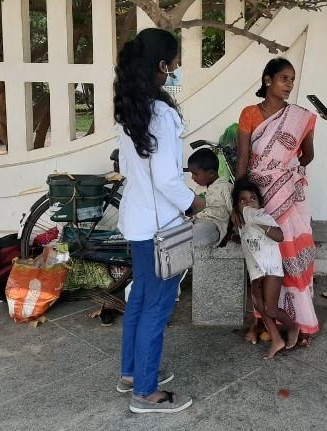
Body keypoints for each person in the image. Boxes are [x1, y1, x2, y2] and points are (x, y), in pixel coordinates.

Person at [114, 28, 205, 414]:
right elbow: (167, 178)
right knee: (157, 306)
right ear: (162, 65)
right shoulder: (162, 114)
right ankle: (146, 394)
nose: (178, 67)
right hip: (160, 230)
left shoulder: (129, 108)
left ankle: (132, 373)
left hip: (137, 222)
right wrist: (195, 201)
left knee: (139, 299)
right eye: (176, 60)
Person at [235, 57, 319, 345]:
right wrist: (240, 204)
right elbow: (243, 159)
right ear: (267, 80)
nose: (289, 85)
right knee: (260, 260)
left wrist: (286, 166)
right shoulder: (249, 114)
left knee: (290, 257)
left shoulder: (300, 117)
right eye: (284, 78)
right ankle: (260, 322)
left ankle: (300, 323)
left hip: (287, 197)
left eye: (292, 80)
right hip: (258, 197)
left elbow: (308, 155)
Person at [232, 179, 300, 359]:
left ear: (260, 203)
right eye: (243, 200)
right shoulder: (241, 223)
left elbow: (279, 236)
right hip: (255, 271)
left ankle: (293, 326)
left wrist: (257, 222)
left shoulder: (263, 217)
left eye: (252, 199)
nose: (248, 203)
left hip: (271, 270)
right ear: (237, 206)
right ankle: (277, 340)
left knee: (270, 309)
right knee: (260, 306)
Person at [187, 148, 233, 247]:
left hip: (214, 225)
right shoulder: (198, 189)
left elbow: (233, 213)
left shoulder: (225, 187)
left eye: (195, 174)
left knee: (193, 234)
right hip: (196, 222)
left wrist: (228, 235)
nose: (192, 178)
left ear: (211, 173)